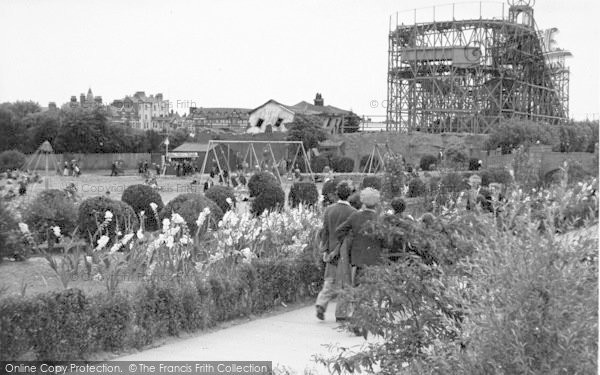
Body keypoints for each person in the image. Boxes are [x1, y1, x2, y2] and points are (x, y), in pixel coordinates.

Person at [315, 182, 356, 321]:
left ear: (337, 194)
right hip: (345, 252)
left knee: (330, 280)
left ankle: (321, 303)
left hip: (331, 249)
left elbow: (325, 231)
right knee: (344, 283)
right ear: (349, 194)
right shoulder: (353, 213)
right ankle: (341, 313)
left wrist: (325, 249)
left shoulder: (329, 210)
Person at [336, 188, 385, 286]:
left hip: (358, 257)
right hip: (375, 257)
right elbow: (386, 241)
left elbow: (339, 231)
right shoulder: (380, 219)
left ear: (362, 201)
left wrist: (348, 243)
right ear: (376, 203)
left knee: (358, 287)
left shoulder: (355, 216)